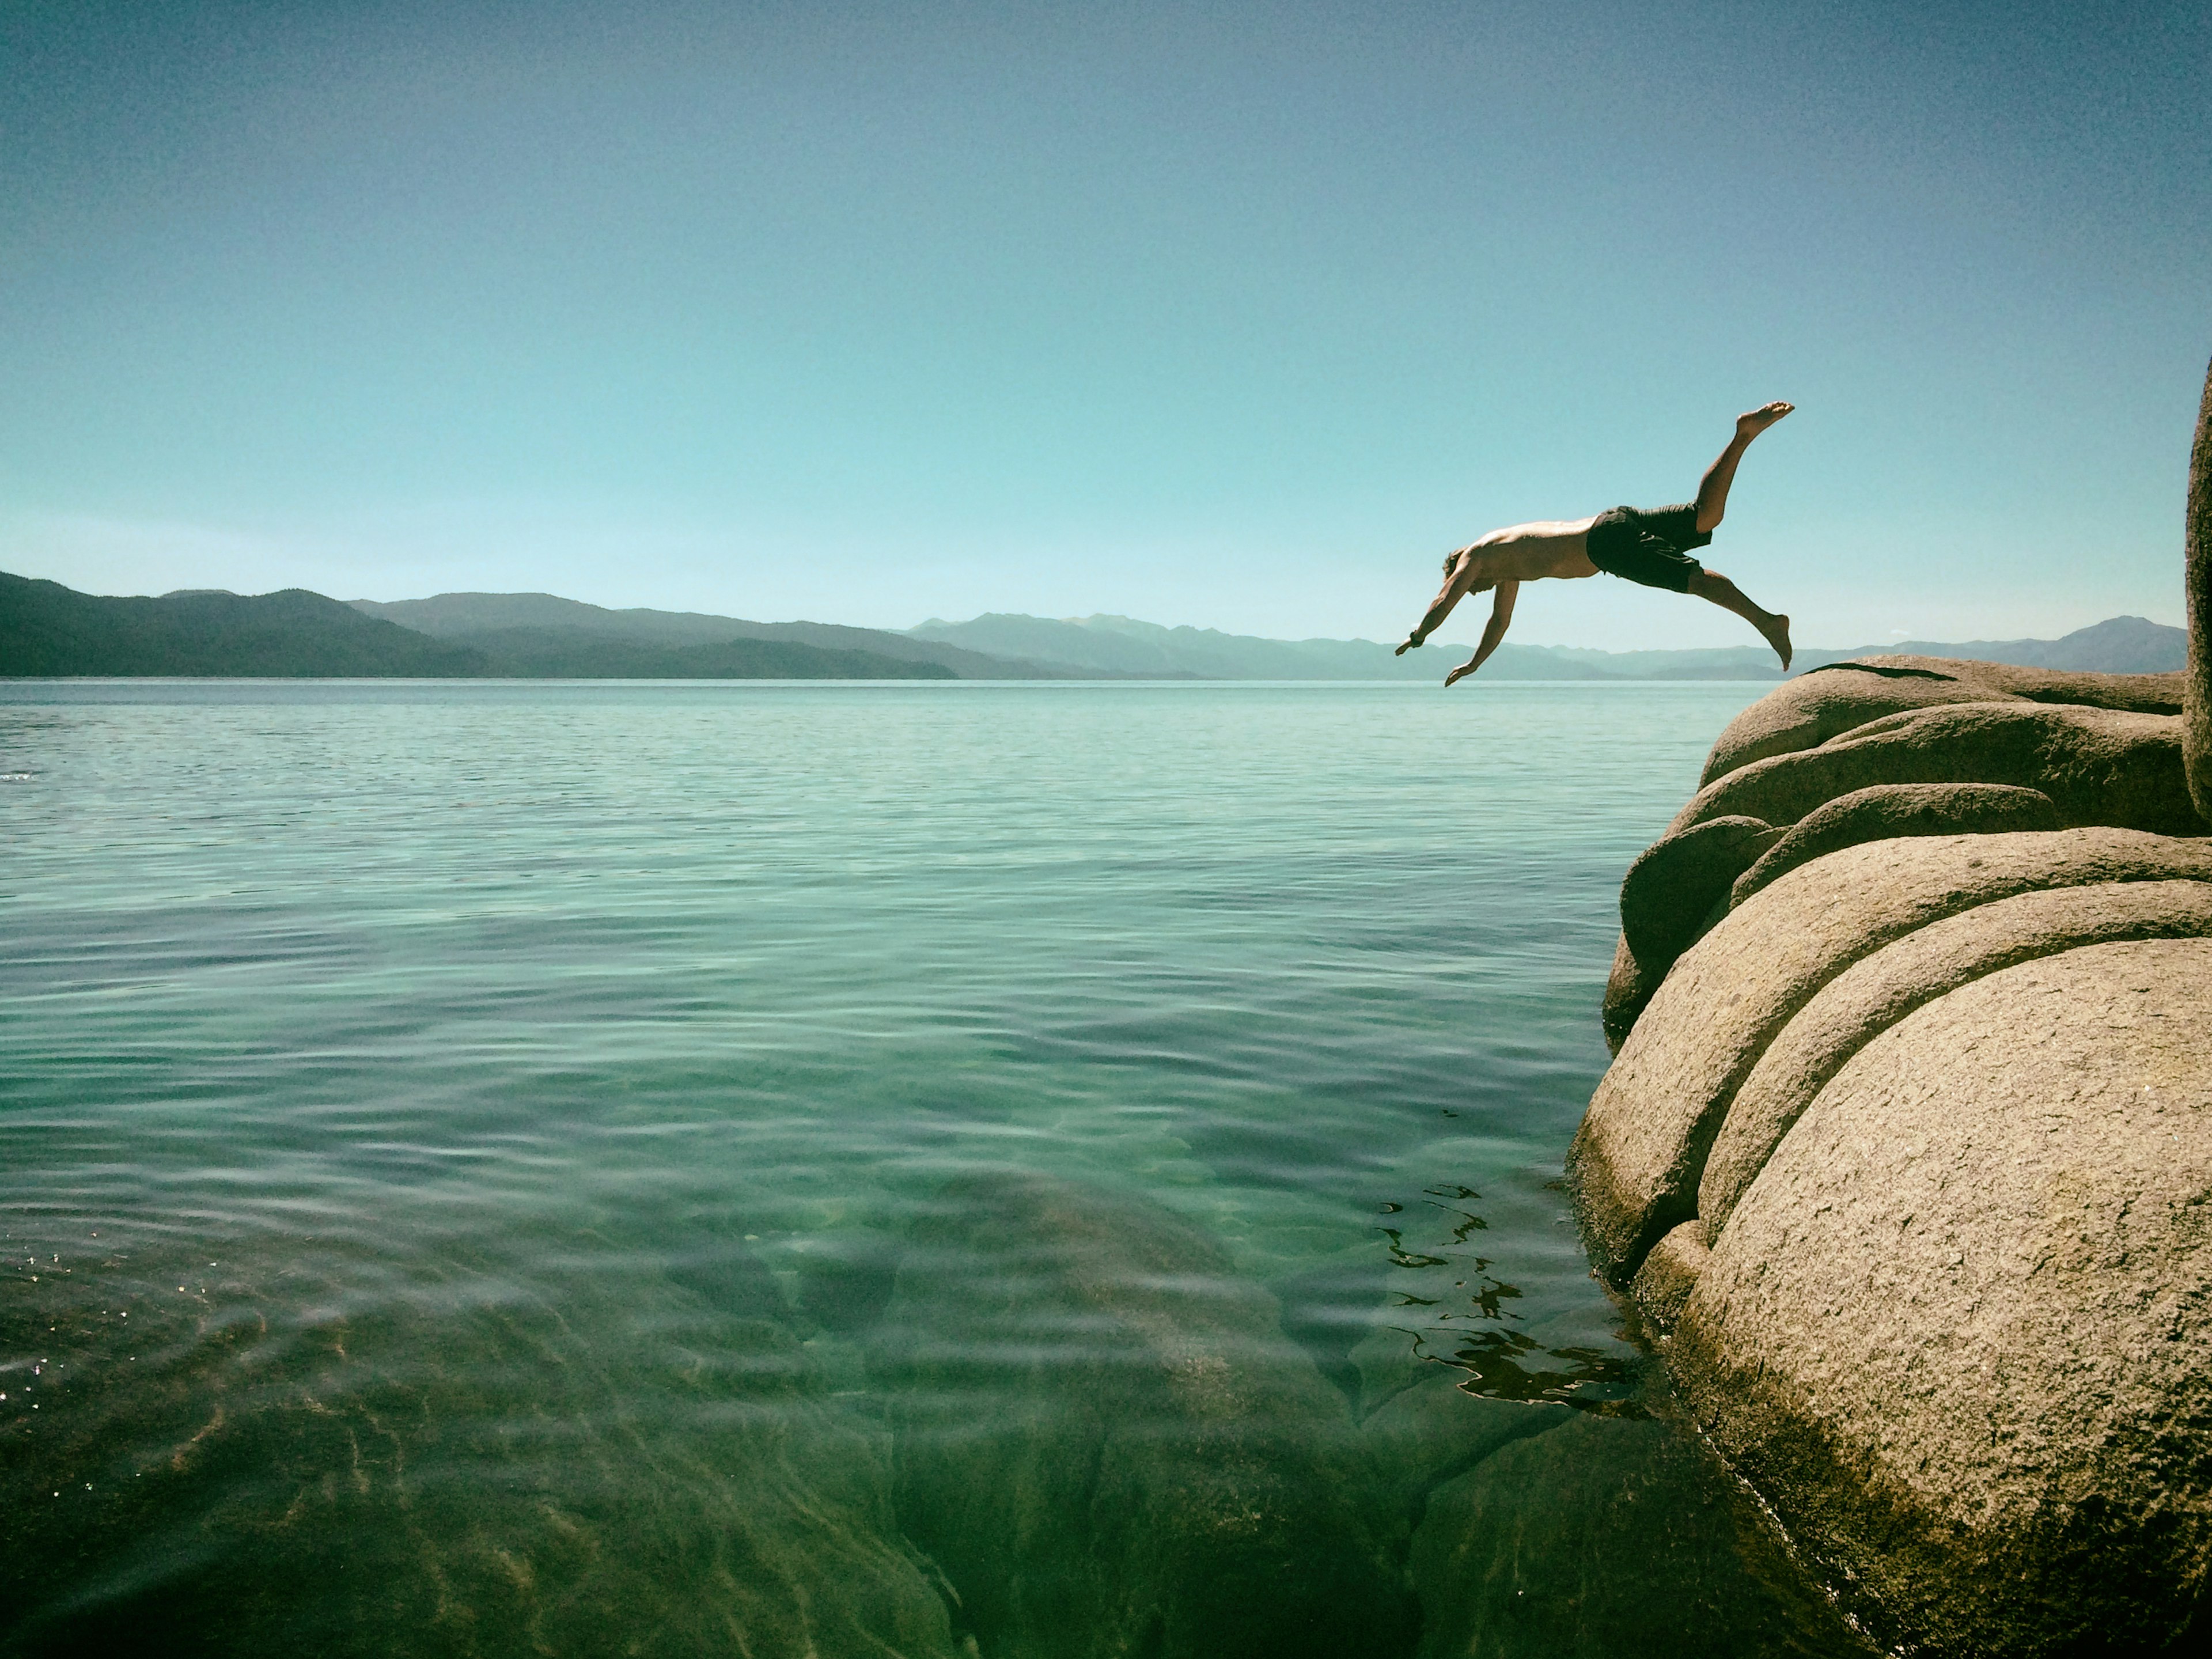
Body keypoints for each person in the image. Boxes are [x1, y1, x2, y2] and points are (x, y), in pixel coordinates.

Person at [1396, 402, 1796, 685]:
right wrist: (1473, 664)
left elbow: (1444, 600)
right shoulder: (1504, 563)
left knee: (1695, 580)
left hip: (1605, 544)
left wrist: (1419, 635)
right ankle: (1742, 437)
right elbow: (1499, 622)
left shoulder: (1477, 556)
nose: (1474, 592)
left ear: (1459, 568)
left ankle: (1768, 623)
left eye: (1469, 587)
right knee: (1706, 515)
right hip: (1612, 521)